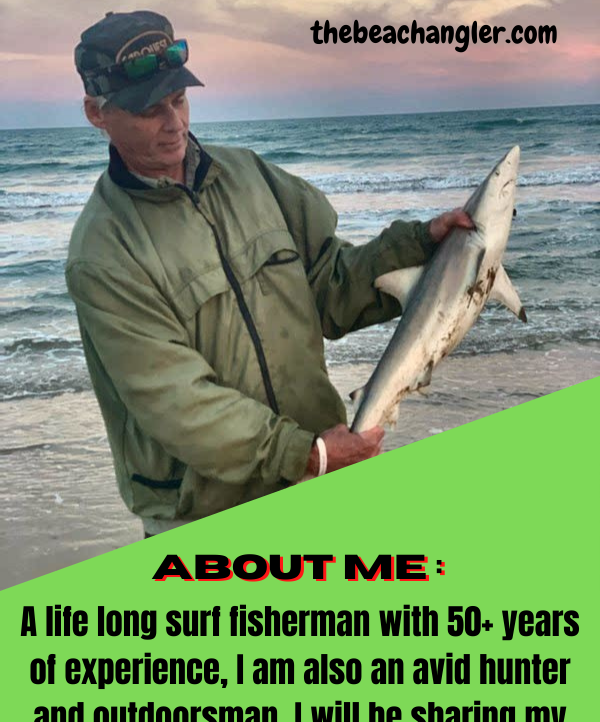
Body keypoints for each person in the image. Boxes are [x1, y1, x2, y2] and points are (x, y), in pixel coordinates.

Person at [67, 11, 473, 537]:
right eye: (148, 109)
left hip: (322, 472)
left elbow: (330, 288)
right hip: (207, 513)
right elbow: (176, 401)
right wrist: (303, 453)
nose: (173, 123)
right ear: (96, 114)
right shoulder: (103, 251)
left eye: (178, 100)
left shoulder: (250, 176)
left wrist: (420, 248)